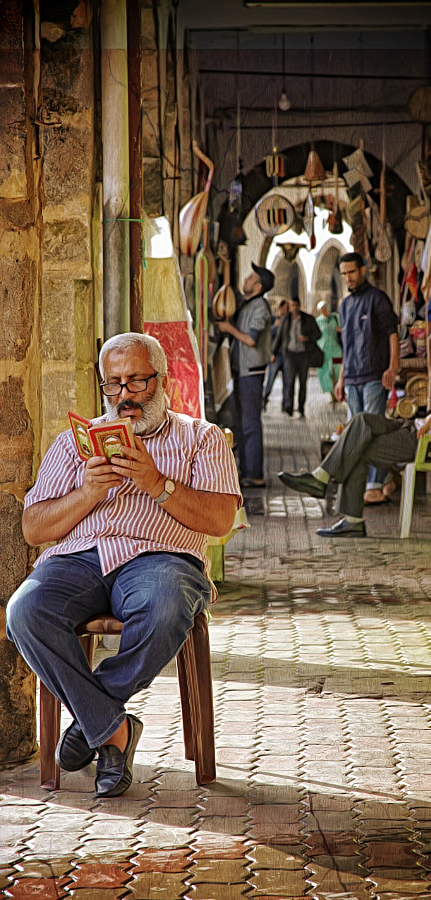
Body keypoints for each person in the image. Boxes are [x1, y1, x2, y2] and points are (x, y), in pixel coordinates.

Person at [6, 332, 241, 798]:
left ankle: (94, 722)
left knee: (166, 605)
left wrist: (158, 483)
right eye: (113, 384)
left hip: (160, 559)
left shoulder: (201, 437)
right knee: (24, 611)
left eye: (137, 382)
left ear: (163, 379)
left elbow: (220, 520)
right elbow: (33, 528)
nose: (125, 396)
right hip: (79, 559)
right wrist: (87, 493)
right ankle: (114, 732)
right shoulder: (76, 443)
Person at [278, 324, 431, 537]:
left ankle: (348, 515)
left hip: (426, 440)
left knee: (359, 449)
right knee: (361, 421)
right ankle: (321, 477)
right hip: (415, 425)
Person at [335, 252, 400, 504]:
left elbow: (392, 334)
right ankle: (380, 481)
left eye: (351, 272)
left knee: (373, 430)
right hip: (351, 379)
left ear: (363, 270)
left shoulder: (378, 299)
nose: (348, 278)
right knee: (356, 433)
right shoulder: (344, 305)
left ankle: (375, 482)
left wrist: (392, 367)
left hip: (375, 376)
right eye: (344, 274)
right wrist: (341, 379)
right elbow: (346, 346)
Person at [216, 262, 273, 487]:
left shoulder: (261, 307)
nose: (246, 280)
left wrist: (229, 329)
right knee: (239, 421)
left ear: (258, 286)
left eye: (250, 278)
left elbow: (251, 340)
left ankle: (255, 474)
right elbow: (229, 293)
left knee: (250, 422)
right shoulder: (246, 303)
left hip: (252, 372)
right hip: (241, 371)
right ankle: (246, 471)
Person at [272, 297, 321, 419]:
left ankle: (301, 408)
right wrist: (272, 352)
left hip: (303, 354)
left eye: (296, 305)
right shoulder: (286, 320)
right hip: (289, 354)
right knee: (289, 381)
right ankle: (289, 407)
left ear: (299, 306)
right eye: (292, 306)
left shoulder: (307, 319)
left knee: (303, 382)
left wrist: (307, 338)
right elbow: (279, 336)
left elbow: (318, 334)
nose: (294, 308)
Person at [263, 299, 289, 411]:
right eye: (286, 308)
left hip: (286, 356)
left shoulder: (288, 321)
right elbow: (267, 338)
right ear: (281, 308)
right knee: (270, 381)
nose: (287, 311)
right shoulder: (273, 320)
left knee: (287, 382)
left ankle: (286, 405)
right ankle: (263, 401)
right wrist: (270, 354)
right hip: (275, 356)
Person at [316, 299, 342, 401]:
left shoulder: (335, 318)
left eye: (325, 309)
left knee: (337, 370)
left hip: (336, 350)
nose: (324, 311)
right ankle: (332, 394)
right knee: (326, 372)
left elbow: (341, 328)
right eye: (322, 310)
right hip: (324, 351)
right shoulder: (318, 321)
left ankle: (338, 392)